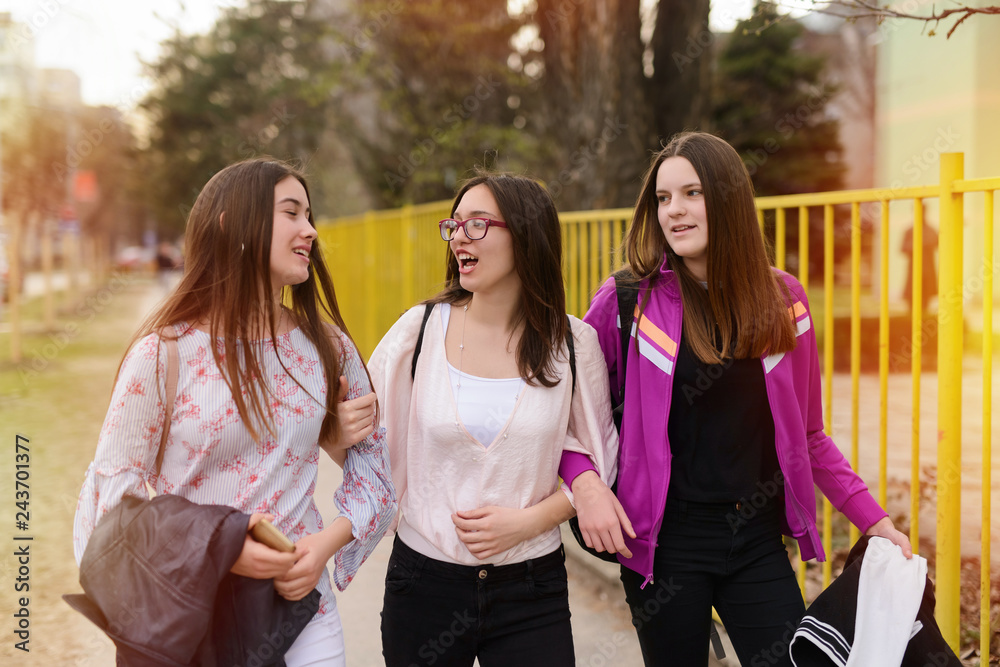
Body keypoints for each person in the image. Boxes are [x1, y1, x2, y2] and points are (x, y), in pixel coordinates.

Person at [563, 132, 912, 666]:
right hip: (665, 547)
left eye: (692, 194)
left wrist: (876, 522)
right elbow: (565, 414)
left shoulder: (783, 301)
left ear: (727, 198)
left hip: (755, 541)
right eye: (663, 198)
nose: (673, 211)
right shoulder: (625, 301)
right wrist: (583, 485)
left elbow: (810, 434)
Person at [72, 157, 396, 666]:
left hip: (300, 608)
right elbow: (112, 501)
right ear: (232, 225)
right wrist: (224, 552)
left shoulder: (325, 346)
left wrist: (322, 548)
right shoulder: (163, 354)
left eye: (310, 215)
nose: (310, 230)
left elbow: (377, 471)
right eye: (291, 213)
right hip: (195, 609)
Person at [367, 172, 622, 667]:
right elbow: (363, 443)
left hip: (531, 587)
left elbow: (600, 455)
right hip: (423, 584)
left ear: (526, 236)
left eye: (478, 224)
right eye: (455, 225)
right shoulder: (417, 331)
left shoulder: (572, 344)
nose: (459, 236)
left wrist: (528, 522)